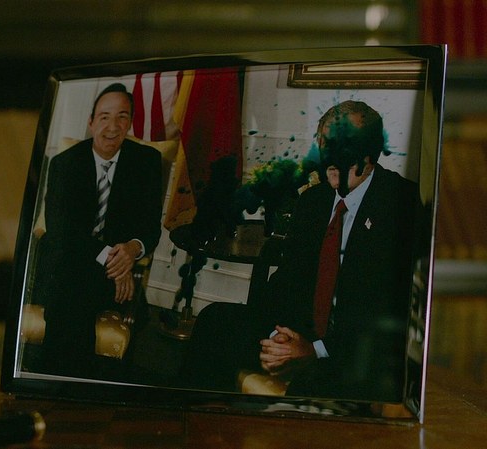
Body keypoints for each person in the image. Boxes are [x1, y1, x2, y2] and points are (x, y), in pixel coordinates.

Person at [178, 100, 419, 402]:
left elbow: (389, 312)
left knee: (318, 381)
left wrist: (315, 350)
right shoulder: (314, 201)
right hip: (300, 332)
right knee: (215, 321)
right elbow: (287, 282)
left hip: (351, 350)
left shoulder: (402, 204)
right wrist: (278, 338)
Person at [37, 83, 163, 378]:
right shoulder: (64, 164)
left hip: (106, 274)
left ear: (129, 123)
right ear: (91, 122)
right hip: (67, 262)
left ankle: (63, 381)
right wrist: (117, 263)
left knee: (74, 298)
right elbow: (62, 232)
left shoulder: (146, 162)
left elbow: (150, 228)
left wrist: (132, 249)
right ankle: (74, 380)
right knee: (72, 291)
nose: (113, 126)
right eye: (104, 117)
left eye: (122, 117)